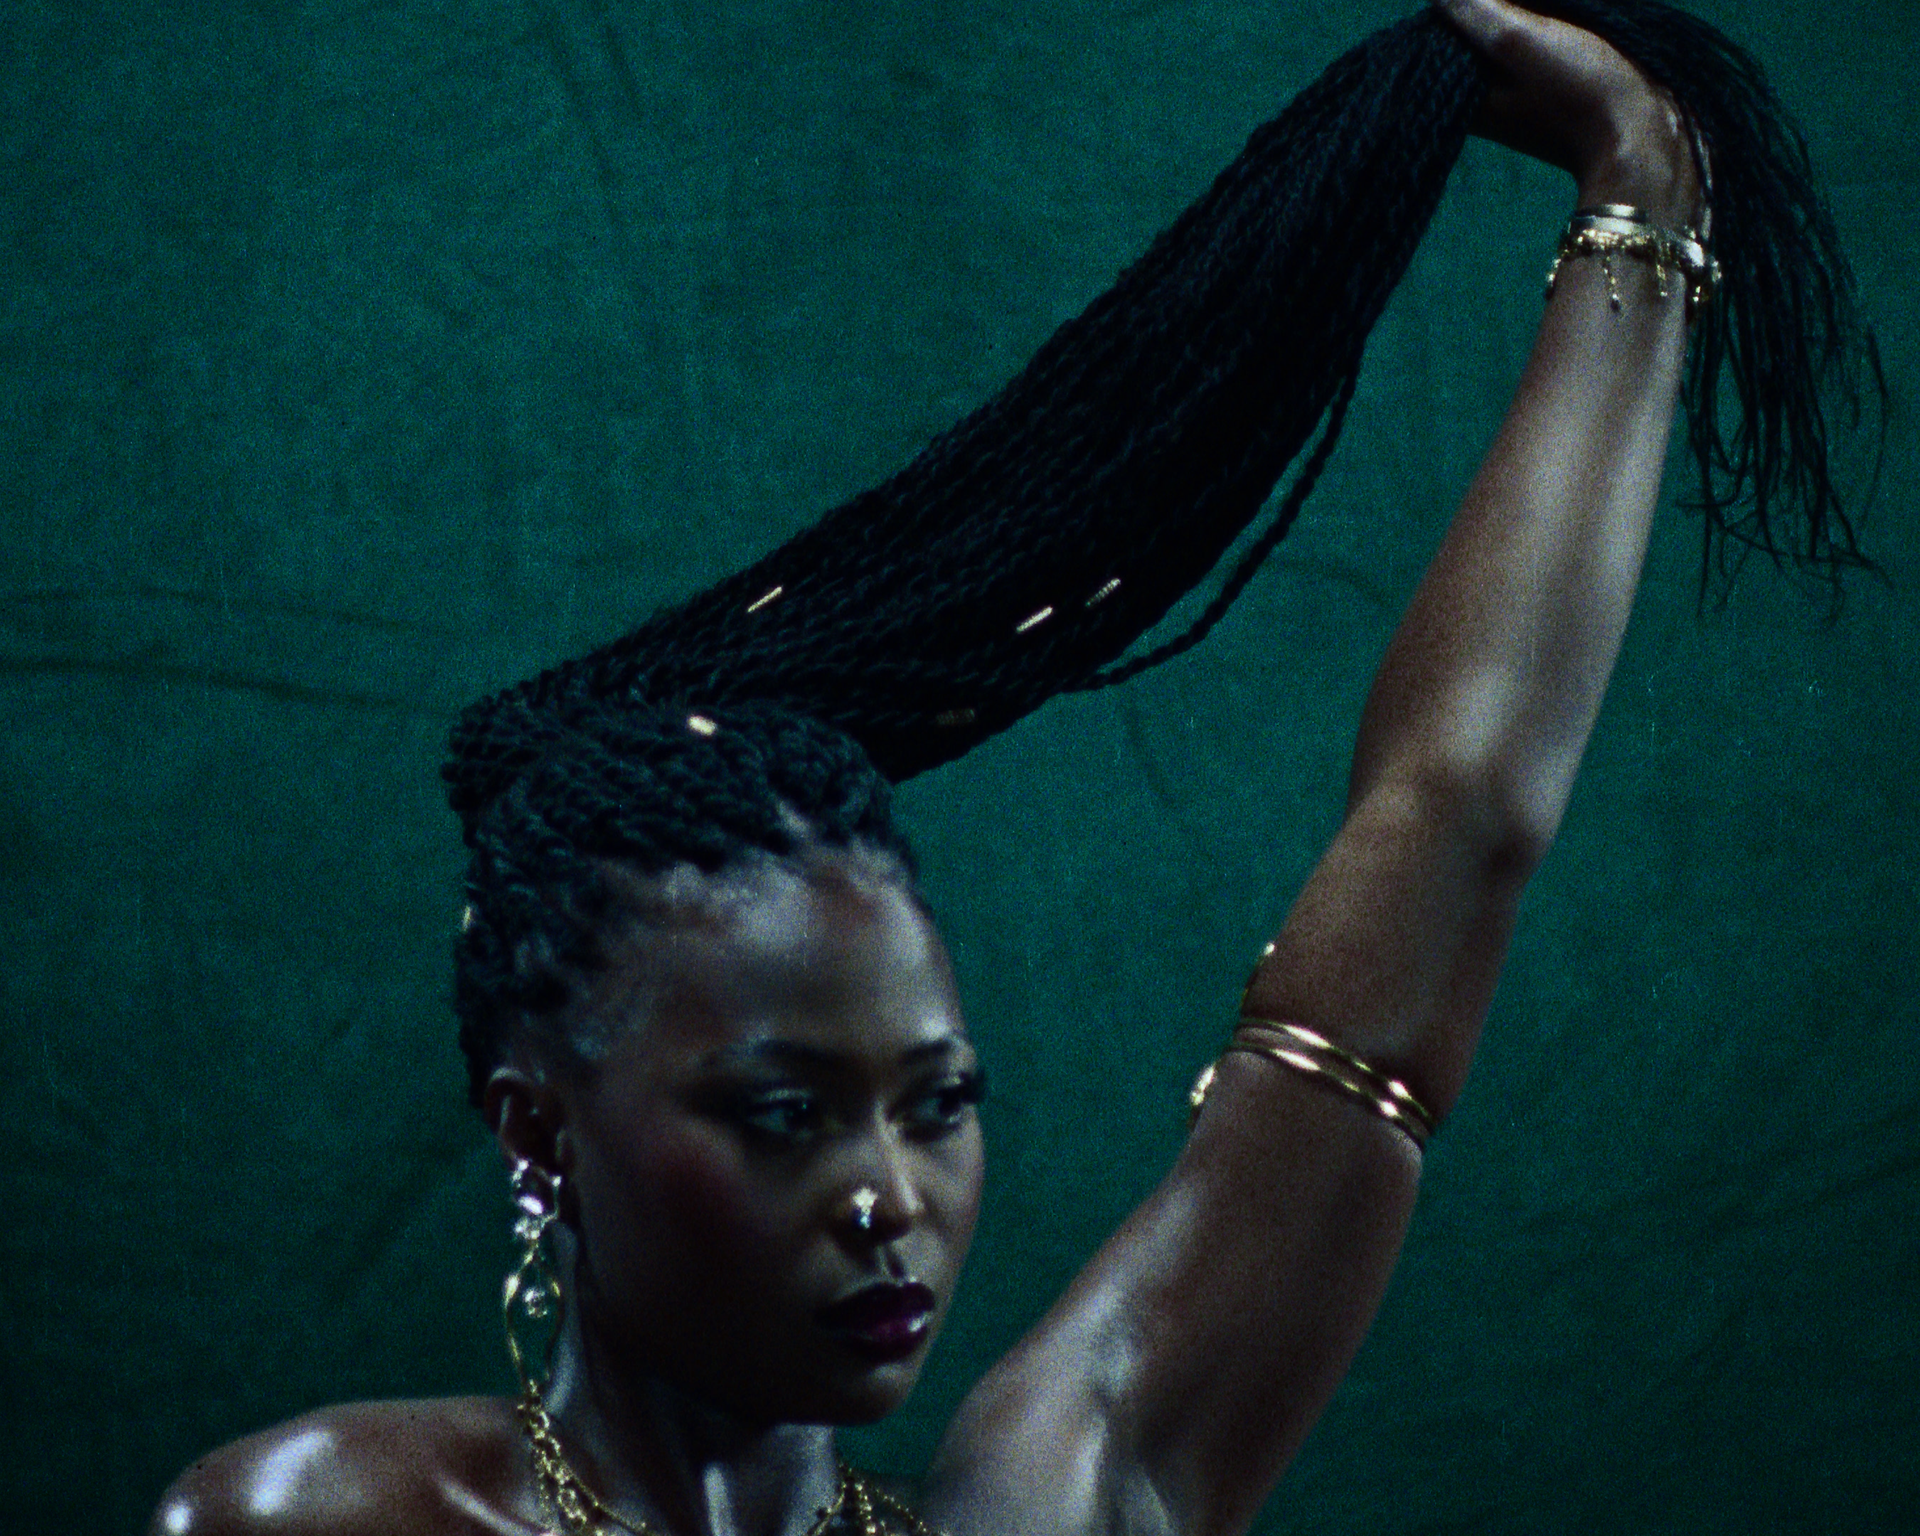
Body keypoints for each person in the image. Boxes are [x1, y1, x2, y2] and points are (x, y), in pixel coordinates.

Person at [147, 1, 1870, 1532]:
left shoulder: (1069, 1498)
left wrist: (1644, 183)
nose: (886, 1199)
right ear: (542, 1132)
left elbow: (1457, 816)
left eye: (938, 1104)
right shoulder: (313, 1520)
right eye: (783, 1115)